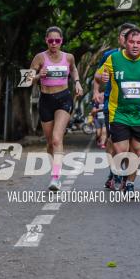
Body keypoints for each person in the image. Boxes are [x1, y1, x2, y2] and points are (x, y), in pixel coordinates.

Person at [98, 27, 140, 194]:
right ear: (124, 43)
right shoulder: (113, 59)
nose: (135, 45)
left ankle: (130, 183)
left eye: (139, 42)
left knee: (137, 151)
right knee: (121, 151)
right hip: (119, 112)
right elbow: (98, 77)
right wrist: (103, 78)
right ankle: (118, 173)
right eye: (131, 42)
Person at [28, 26, 82, 192]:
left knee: (57, 138)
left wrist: (78, 82)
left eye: (57, 40)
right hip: (46, 100)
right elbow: (27, 80)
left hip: (64, 99)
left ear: (61, 41)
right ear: (46, 41)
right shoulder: (40, 57)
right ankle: (54, 171)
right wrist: (38, 76)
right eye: (50, 40)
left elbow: (73, 70)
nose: (53, 43)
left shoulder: (69, 57)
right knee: (50, 142)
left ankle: (55, 177)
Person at [95, 22, 138, 190]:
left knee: (131, 144)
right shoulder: (110, 55)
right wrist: (96, 92)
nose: (129, 39)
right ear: (120, 38)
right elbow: (98, 76)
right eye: (125, 35)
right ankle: (114, 172)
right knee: (113, 140)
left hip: (134, 108)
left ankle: (125, 174)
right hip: (111, 105)